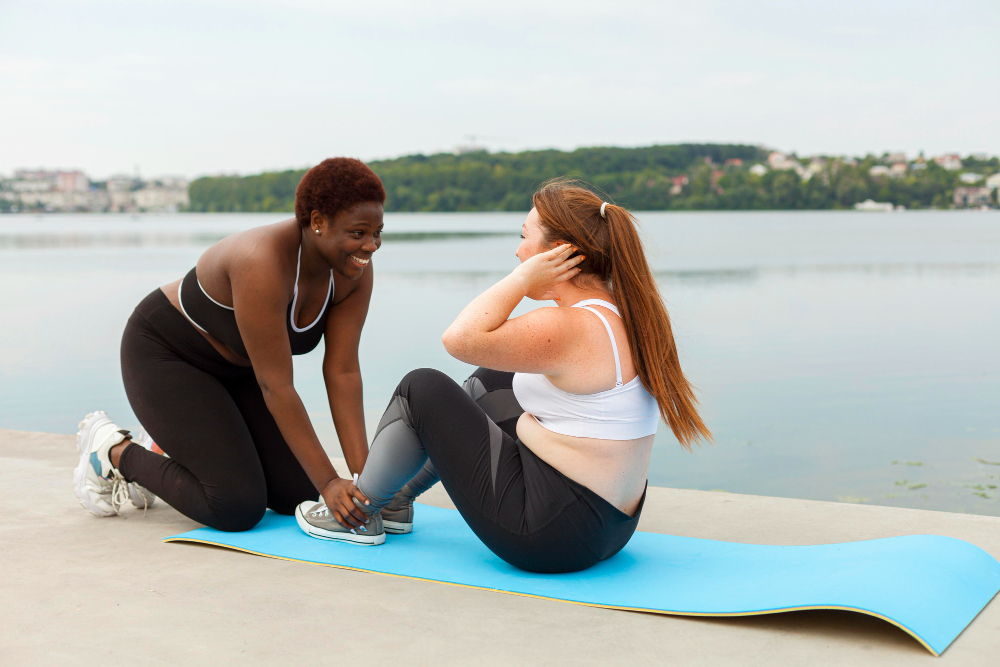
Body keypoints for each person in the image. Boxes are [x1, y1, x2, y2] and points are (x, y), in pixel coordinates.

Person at [296, 179, 712, 572]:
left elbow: (458, 339)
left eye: (524, 237)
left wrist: (521, 280)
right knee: (494, 379)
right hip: (610, 528)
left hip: (551, 536)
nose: (517, 252)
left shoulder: (568, 326)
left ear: (557, 254)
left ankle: (356, 513)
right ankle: (395, 500)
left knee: (420, 388)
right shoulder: (623, 313)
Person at [74, 158, 382, 533]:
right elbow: (276, 386)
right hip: (167, 353)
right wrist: (331, 482)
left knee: (296, 494)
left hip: (238, 371)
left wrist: (368, 484)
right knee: (235, 506)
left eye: (378, 232)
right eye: (359, 233)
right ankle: (112, 451)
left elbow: (343, 372)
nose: (371, 245)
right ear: (318, 222)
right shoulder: (261, 261)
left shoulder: (353, 271)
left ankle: (171, 444)